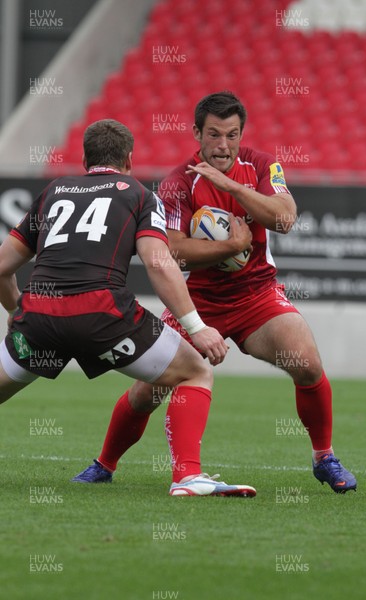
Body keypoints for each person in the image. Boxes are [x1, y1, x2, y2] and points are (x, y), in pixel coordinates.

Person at [74, 93, 356, 494]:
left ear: (241, 134)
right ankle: (104, 464)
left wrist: (230, 186)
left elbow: (285, 217)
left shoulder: (261, 165)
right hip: (199, 303)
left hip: (257, 296)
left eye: (232, 135)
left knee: (307, 363)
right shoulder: (175, 184)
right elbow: (173, 251)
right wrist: (227, 247)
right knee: (148, 391)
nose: (223, 145)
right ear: (196, 134)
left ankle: (324, 457)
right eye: (214, 134)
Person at [0, 118, 256, 498]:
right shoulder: (138, 194)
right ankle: (187, 477)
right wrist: (197, 326)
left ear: (86, 159)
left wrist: (19, 312)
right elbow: (158, 262)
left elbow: (3, 268)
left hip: (40, 319)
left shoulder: (52, 191)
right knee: (194, 372)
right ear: (129, 159)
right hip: (103, 315)